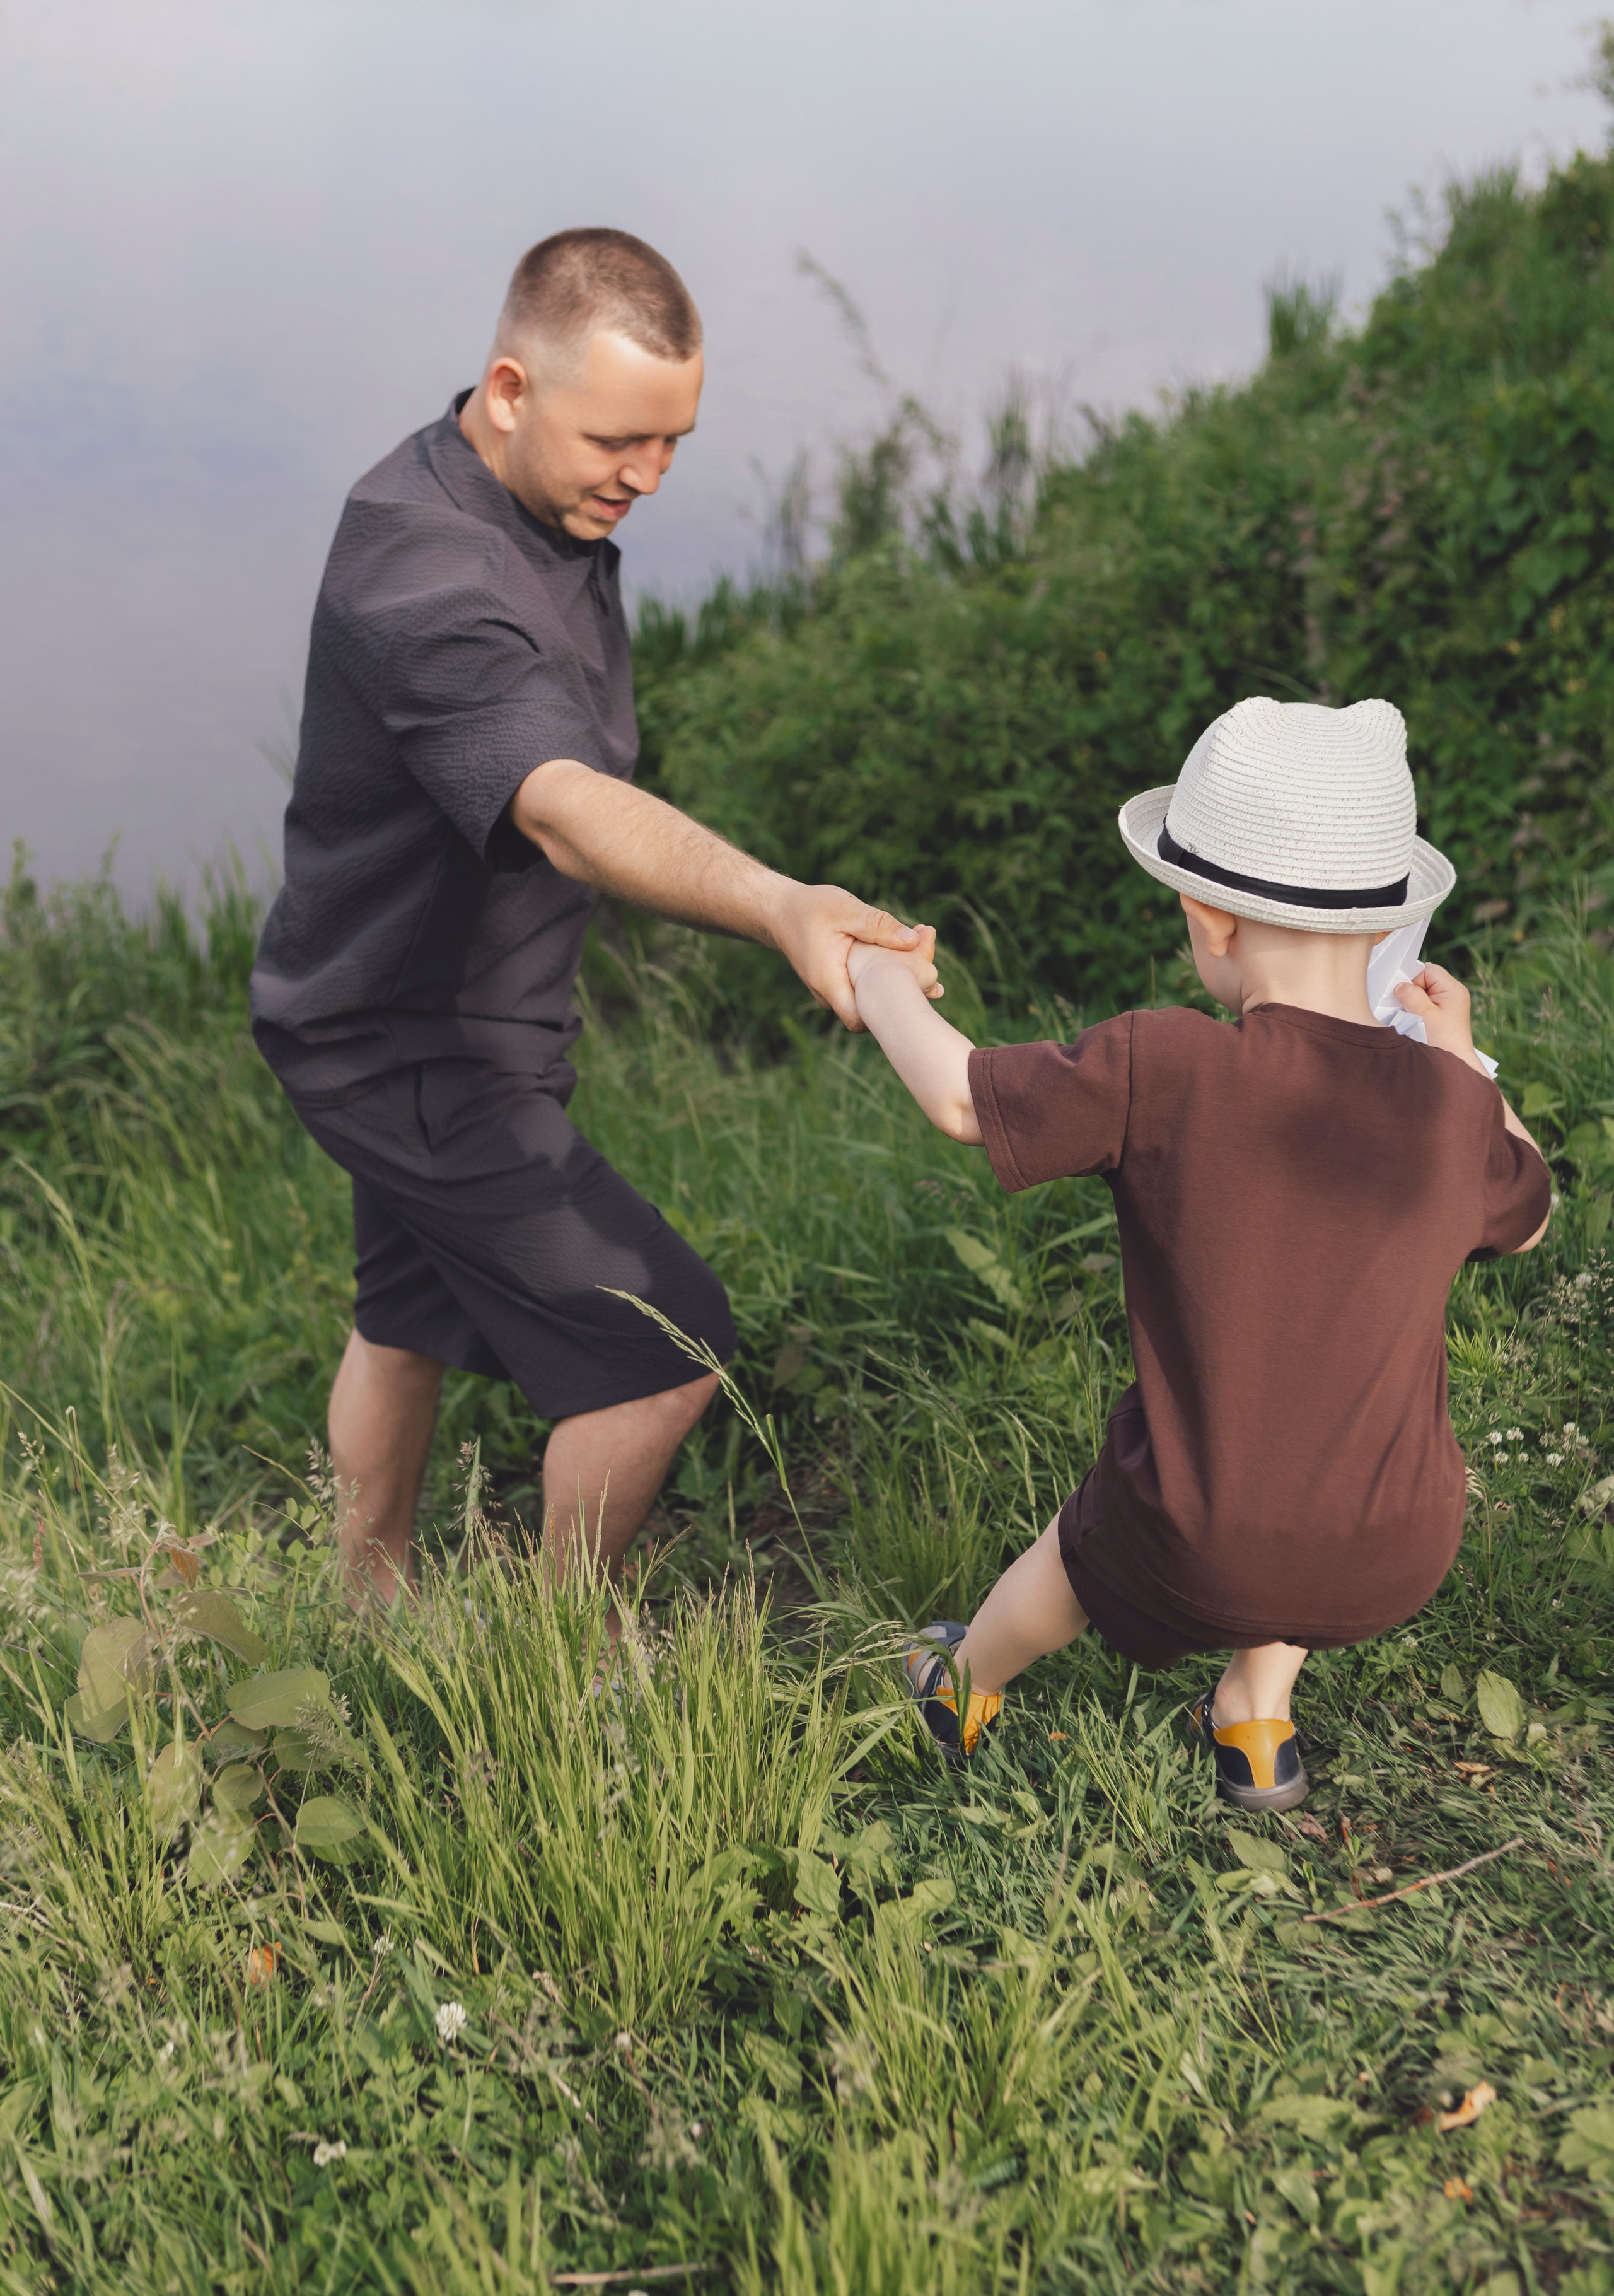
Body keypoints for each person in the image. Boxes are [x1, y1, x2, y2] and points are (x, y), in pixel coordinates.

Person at [250, 227, 936, 1597]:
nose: (647, 475)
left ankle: (364, 1596)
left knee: (407, 1309)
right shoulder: (421, 573)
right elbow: (558, 802)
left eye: (674, 442)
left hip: (445, 1014)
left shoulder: (533, 489)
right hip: (405, 1043)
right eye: (619, 439)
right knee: (659, 1352)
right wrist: (780, 902)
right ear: (509, 388)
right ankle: (556, 1645)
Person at [844, 696, 1551, 1810]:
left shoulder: (1167, 1063)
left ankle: (959, 1683)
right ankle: (1255, 1722)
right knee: (1316, 1445)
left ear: (1209, 920)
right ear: (1386, 927)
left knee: (1089, 1541)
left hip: (1194, 1539)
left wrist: (875, 976)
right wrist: (1469, 1069)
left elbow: (959, 1100)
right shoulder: (1448, 1108)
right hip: (1399, 1545)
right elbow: (1537, 1210)